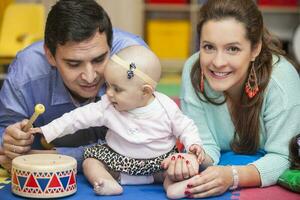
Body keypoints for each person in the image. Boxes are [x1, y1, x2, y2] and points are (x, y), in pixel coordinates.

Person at [162, 0, 300, 198]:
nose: (218, 62)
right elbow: (206, 145)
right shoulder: (194, 69)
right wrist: (191, 159)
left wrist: (233, 176)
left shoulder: (281, 80)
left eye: (232, 49)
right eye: (208, 47)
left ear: (255, 49)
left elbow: (283, 157)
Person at [29, 45, 204, 196]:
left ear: (145, 92)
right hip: (117, 161)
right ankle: (106, 182)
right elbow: (77, 118)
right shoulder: (107, 105)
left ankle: (174, 187)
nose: (108, 93)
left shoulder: (166, 107)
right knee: (91, 161)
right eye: (108, 85)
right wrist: (48, 130)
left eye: (117, 89)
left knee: (177, 168)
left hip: (160, 162)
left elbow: (186, 127)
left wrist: (193, 144)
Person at [0, 0, 147, 171]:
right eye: (74, 64)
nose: (90, 76)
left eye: (99, 59)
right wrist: (10, 141)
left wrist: (54, 159)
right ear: (50, 55)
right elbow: (4, 132)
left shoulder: (134, 60)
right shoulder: (26, 71)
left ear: (110, 46)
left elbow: (143, 141)